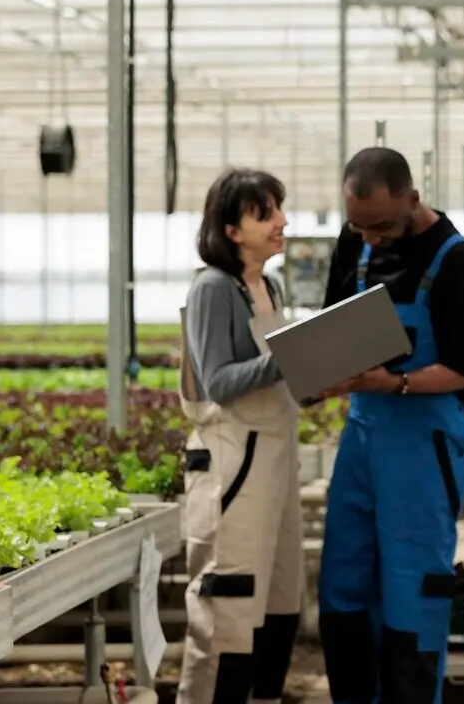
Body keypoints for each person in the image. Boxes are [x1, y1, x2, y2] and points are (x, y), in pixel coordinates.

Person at [316, 148, 464, 704]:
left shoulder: (456, 261)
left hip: (424, 438)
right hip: (363, 432)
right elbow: (331, 325)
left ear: (414, 200)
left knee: (412, 586)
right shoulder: (356, 241)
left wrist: (393, 383)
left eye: (383, 226)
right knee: (344, 579)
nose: (370, 239)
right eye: (358, 225)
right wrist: (322, 372)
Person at [177, 168, 303, 704]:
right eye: (266, 213)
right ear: (231, 230)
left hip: (275, 458)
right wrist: (293, 356)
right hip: (235, 464)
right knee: (230, 604)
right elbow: (218, 382)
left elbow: (273, 372)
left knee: (280, 598)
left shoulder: (267, 286)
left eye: (278, 208)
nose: (282, 221)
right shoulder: (213, 288)